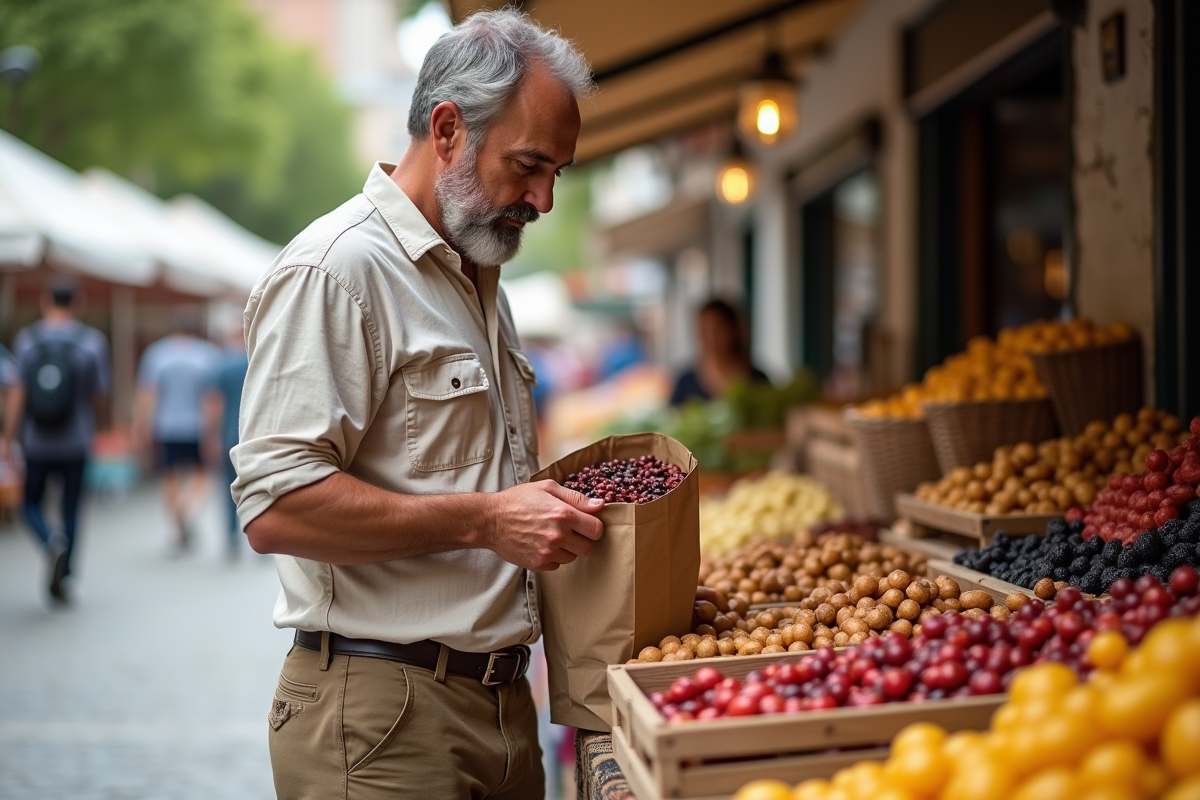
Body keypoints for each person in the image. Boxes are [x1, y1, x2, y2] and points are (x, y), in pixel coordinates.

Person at [232, 10, 597, 799]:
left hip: (500, 708)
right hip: (382, 722)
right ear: (446, 129)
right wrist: (486, 518)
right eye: (529, 164)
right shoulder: (336, 271)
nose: (543, 199)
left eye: (557, 173)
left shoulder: (478, 274)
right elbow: (275, 508)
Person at [2, 280, 110, 604]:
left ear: (45, 300)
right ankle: (64, 580)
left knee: (29, 502)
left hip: (36, 441)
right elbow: (99, 393)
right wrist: (101, 428)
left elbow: (17, 393)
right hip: (76, 439)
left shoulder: (27, 340)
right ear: (79, 302)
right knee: (71, 508)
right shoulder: (91, 342)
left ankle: (50, 541)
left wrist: (9, 437)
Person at [133, 310, 221, 553]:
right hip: (197, 425)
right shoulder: (208, 355)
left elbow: (148, 394)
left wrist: (141, 425)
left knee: (169, 475)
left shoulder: (157, 354)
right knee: (202, 474)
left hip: (166, 425)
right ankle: (188, 508)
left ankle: (177, 520)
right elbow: (211, 398)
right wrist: (213, 430)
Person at [669, 298, 771, 406]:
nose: (711, 338)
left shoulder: (757, 381)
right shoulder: (686, 383)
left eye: (717, 330)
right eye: (704, 331)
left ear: (733, 330)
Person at [204, 327, 248, 561]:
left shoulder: (224, 365)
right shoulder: (257, 361)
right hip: (257, 439)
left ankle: (231, 537)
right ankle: (256, 531)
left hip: (230, 437)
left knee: (228, 489)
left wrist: (211, 436)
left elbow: (214, 404)